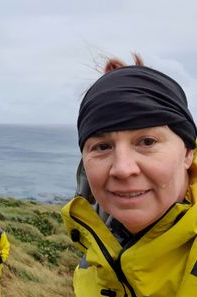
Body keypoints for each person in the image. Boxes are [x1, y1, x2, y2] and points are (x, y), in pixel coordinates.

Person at [61, 53, 197, 297]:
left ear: (187, 153)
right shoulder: (95, 255)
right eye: (102, 146)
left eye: (147, 141)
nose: (122, 169)